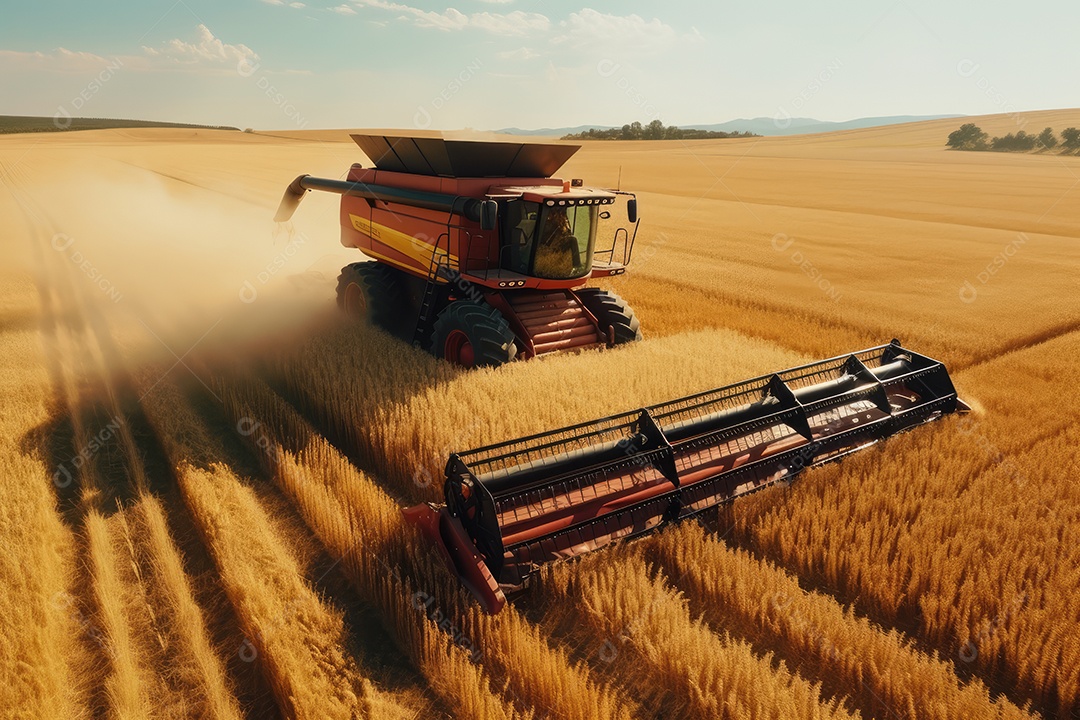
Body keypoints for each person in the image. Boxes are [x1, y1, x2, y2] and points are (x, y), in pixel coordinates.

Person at [533, 207, 578, 278]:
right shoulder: (548, 224)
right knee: (573, 240)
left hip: (553, 250)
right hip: (548, 249)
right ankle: (577, 266)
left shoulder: (554, 223)